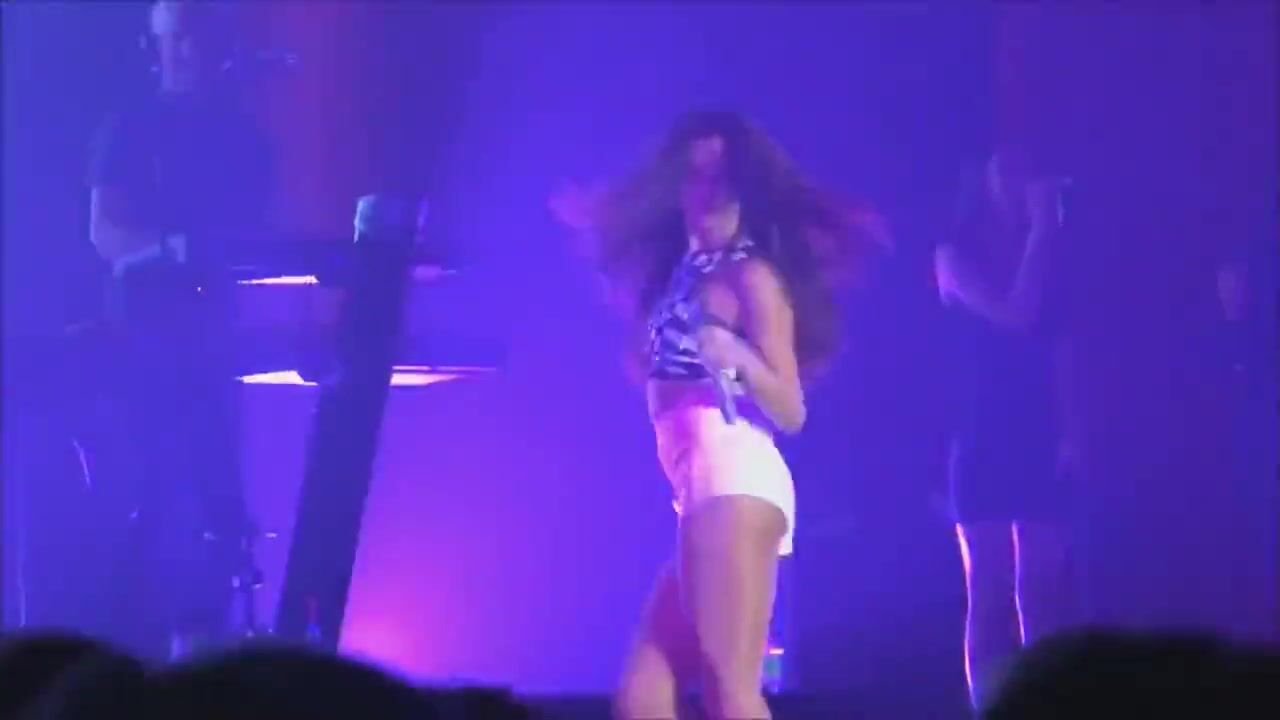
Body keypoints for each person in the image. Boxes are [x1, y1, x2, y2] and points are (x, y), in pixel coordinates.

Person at [550, 111, 886, 720]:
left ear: (744, 186)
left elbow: (790, 409)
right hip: (701, 488)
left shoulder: (749, 275)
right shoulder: (687, 269)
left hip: (733, 480)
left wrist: (739, 356)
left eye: (720, 177)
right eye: (693, 174)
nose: (705, 189)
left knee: (731, 693)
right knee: (643, 697)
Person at [85, 0, 272, 660]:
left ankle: (204, 651)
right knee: (152, 491)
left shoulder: (240, 132)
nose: (189, 52)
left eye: (200, 38)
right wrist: (170, 250)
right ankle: (129, 656)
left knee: (217, 495)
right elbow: (105, 233)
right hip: (144, 342)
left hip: (215, 340)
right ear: (155, 47)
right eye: (177, 39)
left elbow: (260, 229)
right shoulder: (129, 128)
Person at [933, 146, 1076, 710]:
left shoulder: (1050, 259)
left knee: (1041, 589)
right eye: (1008, 170)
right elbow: (1016, 314)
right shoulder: (954, 254)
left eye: (1028, 172)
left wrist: (1070, 429)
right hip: (981, 433)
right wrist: (1042, 228)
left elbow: (1061, 347)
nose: (1022, 184)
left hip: (1039, 431)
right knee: (988, 588)